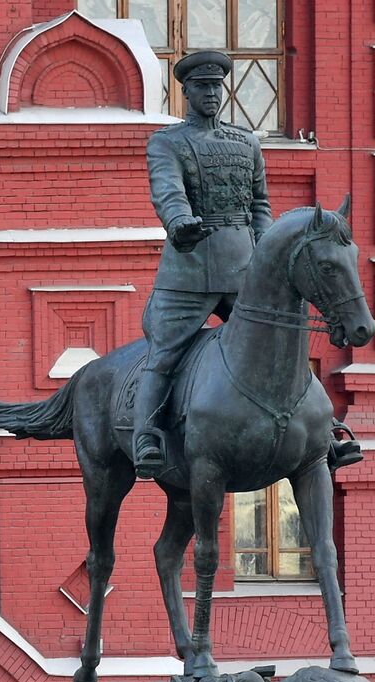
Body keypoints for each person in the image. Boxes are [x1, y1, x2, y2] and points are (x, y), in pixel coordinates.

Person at [133, 50, 272, 478]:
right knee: (164, 353)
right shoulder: (167, 142)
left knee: (278, 343)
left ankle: (326, 432)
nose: (211, 93)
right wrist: (179, 222)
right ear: (186, 91)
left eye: (216, 86)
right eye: (202, 87)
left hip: (241, 268)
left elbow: (260, 204)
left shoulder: (246, 142)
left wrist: (264, 247)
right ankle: (145, 437)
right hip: (188, 269)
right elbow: (168, 191)